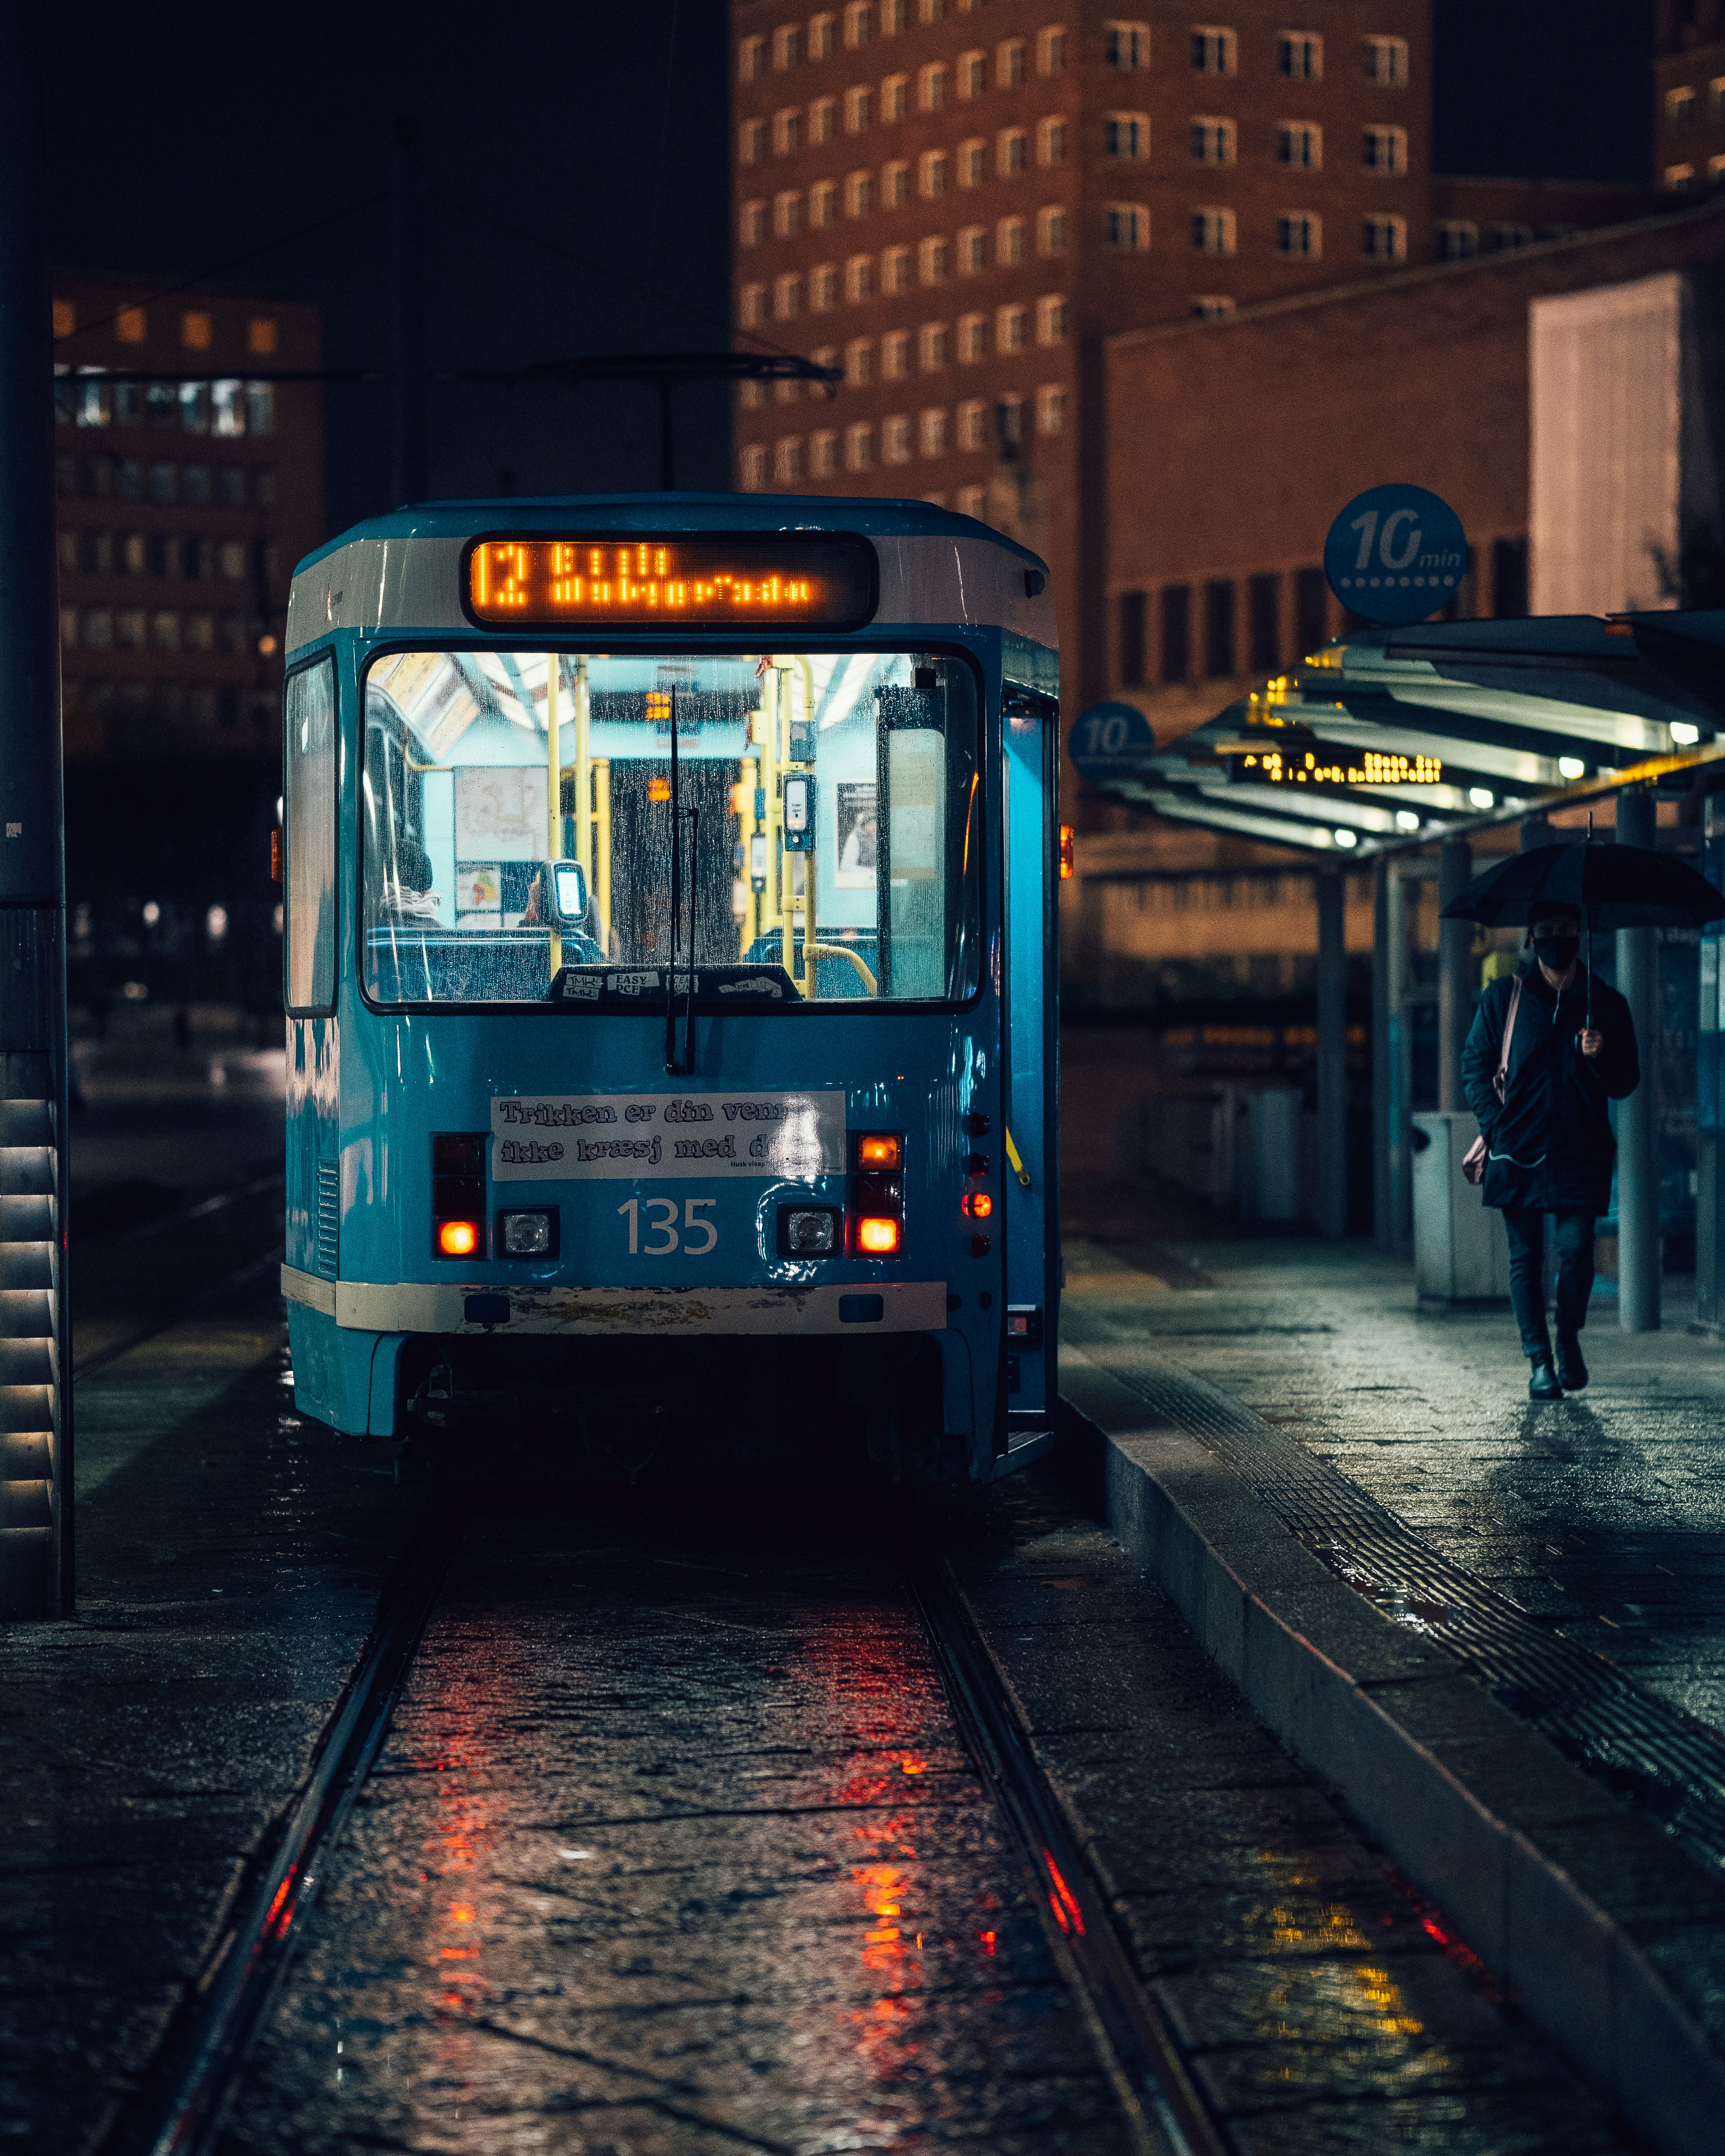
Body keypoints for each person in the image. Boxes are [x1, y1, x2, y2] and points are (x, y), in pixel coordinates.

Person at [1461, 900, 1639, 1400]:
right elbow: (1474, 1064)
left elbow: (1627, 1081)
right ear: (1530, 938)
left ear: (1579, 934)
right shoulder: (1506, 997)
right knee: (1525, 1259)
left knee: (1576, 1252)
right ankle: (1539, 1361)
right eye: (1544, 932)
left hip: (1580, 1152)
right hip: (1515, 1151)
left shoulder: (1604, 1003)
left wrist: (1600, 1056)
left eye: (1563, 931)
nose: (1554, 940)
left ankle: (1567, 1337)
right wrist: (1495, 1127)